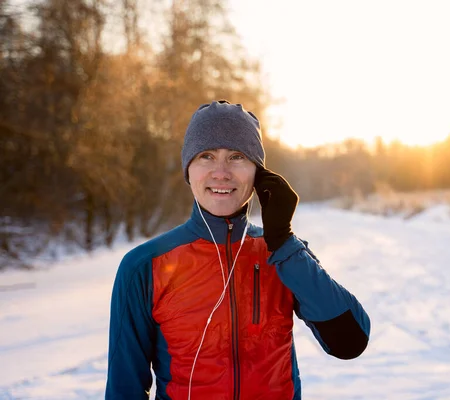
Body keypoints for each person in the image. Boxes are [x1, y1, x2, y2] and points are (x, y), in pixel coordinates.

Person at [105, 100, 371, 399]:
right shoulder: (144, 265)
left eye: (237, 157)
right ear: (188, 169)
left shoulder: (285, 254)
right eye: (206, 156)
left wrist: (283, 241)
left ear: (258, 173)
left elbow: (350, 342)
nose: (221, 172)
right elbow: (124, 387)